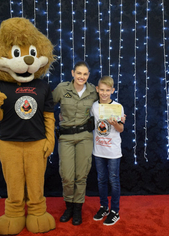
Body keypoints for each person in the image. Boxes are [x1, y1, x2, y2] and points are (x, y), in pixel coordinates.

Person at [52, 61, 98, 225]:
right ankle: (69, 207)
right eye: (79, 73)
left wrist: (118, 117)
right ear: (73, 73)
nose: (82, 77)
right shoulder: (62, 89)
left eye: (85, 74)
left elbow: (104, 104)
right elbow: (48, 106)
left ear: (88, 76)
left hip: (85, 136)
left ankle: (77, 209)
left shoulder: (93, 90)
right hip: (66, 138)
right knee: (67, 176)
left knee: (81, 175)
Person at [90, 76, 124, 226]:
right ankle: (104, 207)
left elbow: (121, 129)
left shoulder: (118, 106)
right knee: (101, 180)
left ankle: (115, 211)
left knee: (113, 181)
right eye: (102, 90)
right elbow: (91, 123)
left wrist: (115, 124)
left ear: (112, 90)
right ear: (97, 90)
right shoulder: (93, 106)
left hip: (113, 151)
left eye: (107, 90)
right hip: (98, 150)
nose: (104, 93)